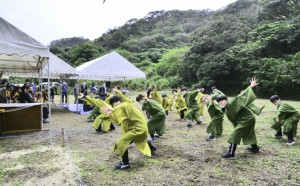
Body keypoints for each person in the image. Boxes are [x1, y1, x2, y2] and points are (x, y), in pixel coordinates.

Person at [101, 95, 156, 170]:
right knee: (139, 139)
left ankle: (125, 163)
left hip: (138, 129)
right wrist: (111, 113)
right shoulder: (122, 109)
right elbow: (118, 121)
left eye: (116, 102)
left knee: (121, 142)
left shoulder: (126, 104)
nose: (115, 105)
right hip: (138, 128)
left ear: (120, 101)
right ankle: (152, 148)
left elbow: (122, 105)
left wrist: (113, 109)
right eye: (113, 104)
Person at [217, 77, 260, 159]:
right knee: (248, 133)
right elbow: (233, 122)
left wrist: (251, 86)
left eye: (222, 100)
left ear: (226, 99)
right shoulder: (226, 110)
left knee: (235, 134)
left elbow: (242, 96)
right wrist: (236, 128)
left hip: (248, 119)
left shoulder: (233, 101)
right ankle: (255, 148)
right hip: (244, 121)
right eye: (219, 102)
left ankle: (231, 153)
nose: (220, 102)